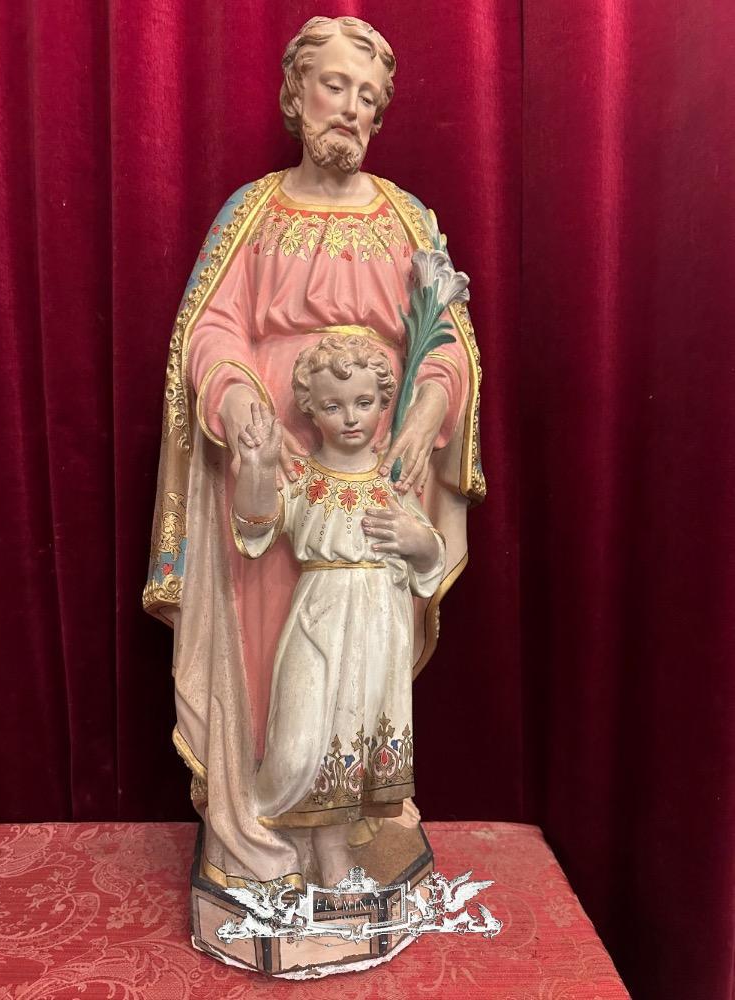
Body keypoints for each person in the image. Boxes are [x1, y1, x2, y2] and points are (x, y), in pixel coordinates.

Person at [144, 16, 484, 888]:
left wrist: (424, 417)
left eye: (369, 97)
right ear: (296, 94)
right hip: (269, 475)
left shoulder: (405, 218)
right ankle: (264, 826)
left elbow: (447, 342)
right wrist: (239, 407)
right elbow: (209, 332)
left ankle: (349, 827)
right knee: (275, 668)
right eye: (336, 86)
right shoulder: (252, 213)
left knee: (362, 666)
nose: (352, 109)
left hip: (371, 473)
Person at [231, 336, 445, 885]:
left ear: (383, 403)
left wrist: (417, 541)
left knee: (357, 733)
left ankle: (333, 852)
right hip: (320, 617)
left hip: (380, 622)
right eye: (333, 405)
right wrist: (256, 468)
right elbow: (256, 528)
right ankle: (281, 833)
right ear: (310, 409)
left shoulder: (394, 479)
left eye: (364, 403)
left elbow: (430, 559)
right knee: (301, 738)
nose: (351, 418)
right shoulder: (303, 477)